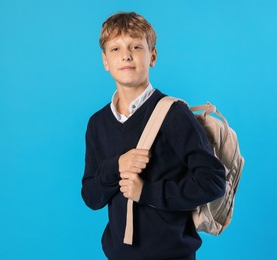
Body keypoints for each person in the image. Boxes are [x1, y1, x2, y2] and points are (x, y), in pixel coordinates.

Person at [81, 11, 226, 260]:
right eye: (115, 49)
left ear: (153, 57)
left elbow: (212, 182)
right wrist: (116, 166)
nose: (126, 55)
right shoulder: (97, 124)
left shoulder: (174, 114)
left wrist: (146, 192)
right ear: (105, 61)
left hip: (171, 255)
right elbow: (92, 197)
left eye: (136, 46)